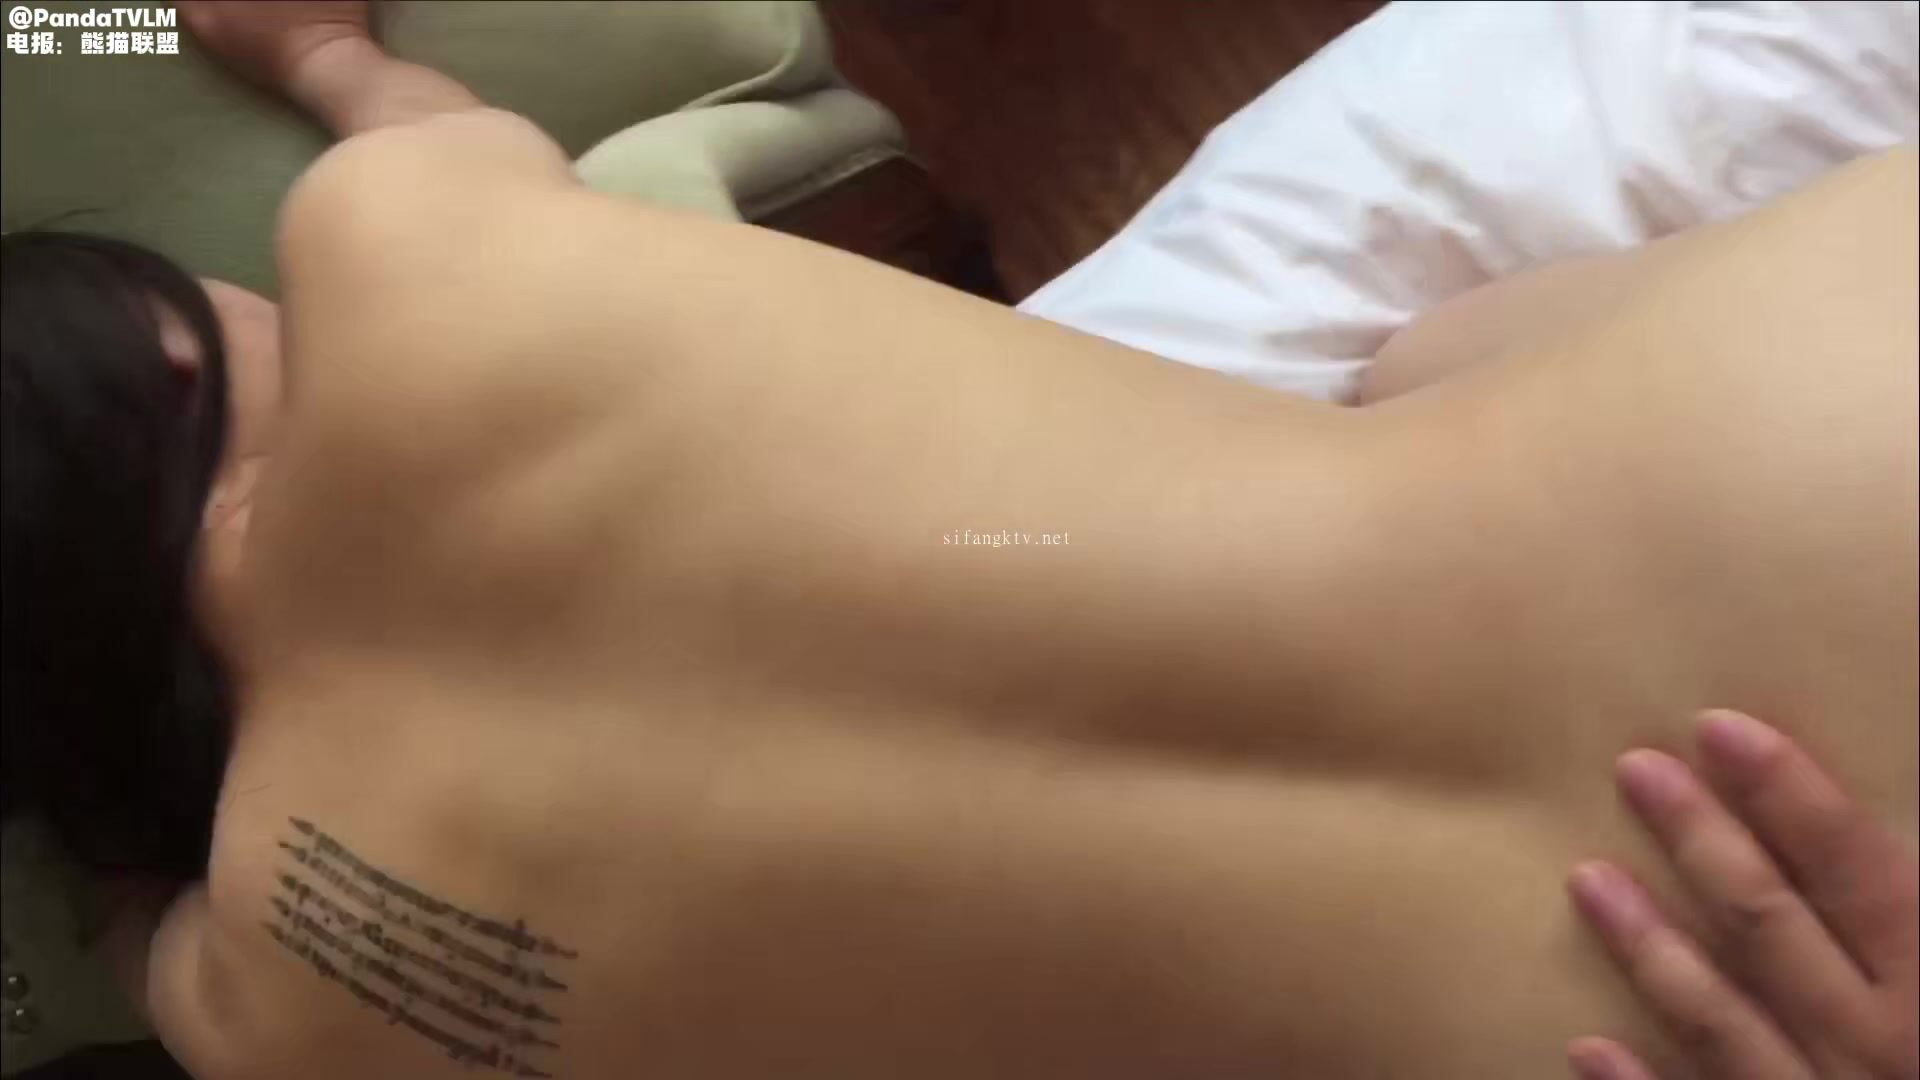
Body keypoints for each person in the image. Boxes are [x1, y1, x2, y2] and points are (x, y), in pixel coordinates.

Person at [0, 3, 1912, 1078]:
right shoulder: (396, 254)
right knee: (1422, 376)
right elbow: (399, 117)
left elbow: (142, 937)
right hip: (1819, 450)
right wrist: (319, 50)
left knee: (1415, 366)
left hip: (1654, 1025)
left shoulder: (272, 1007)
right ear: (164, 349)